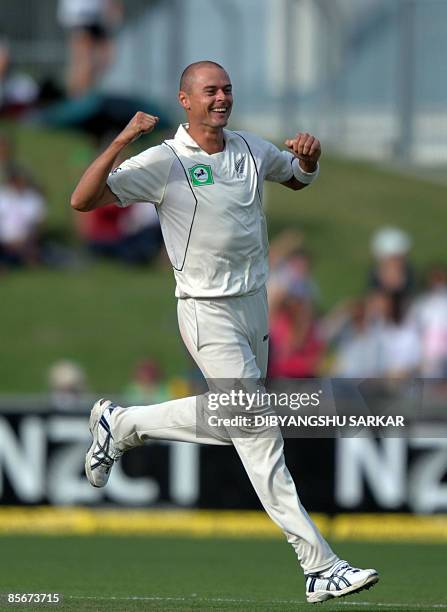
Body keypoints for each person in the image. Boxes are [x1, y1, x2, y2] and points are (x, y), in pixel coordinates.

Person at [71, 61, 378, 604]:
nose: (221, 98)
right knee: (258, 431)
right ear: (184, 100)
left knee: (237, 421)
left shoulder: (250, 148)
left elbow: (298, 177)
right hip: (205, 310)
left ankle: (123, 424)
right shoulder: (163, 161)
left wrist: (310, 158)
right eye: (210, 91)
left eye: (227, 89)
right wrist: (122, 138)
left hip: (254, 306)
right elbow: (83, 199)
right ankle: (319, 565)